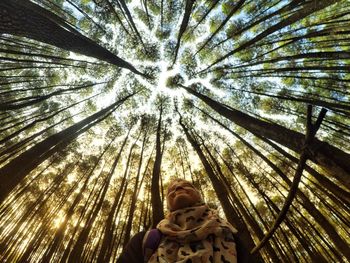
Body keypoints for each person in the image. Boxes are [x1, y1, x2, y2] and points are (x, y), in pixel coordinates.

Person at [118, 178, 248, 263]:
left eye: (186, 186)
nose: (178, 188)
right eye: (171, 190)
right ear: (168, 205)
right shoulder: (145, 240)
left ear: (199, 195)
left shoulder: (225, 232)